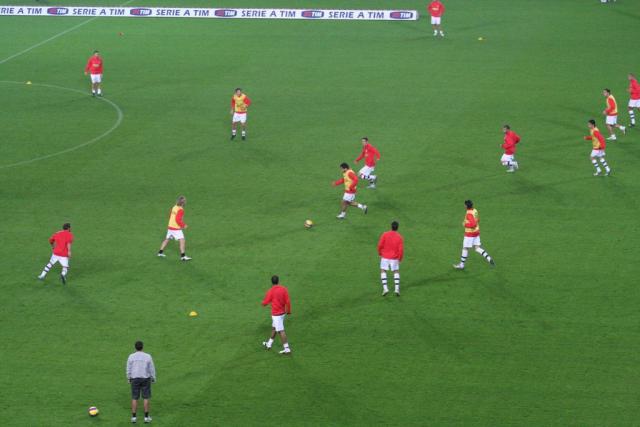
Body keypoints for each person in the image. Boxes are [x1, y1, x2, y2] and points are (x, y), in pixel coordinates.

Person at [453, 200, 495, 270]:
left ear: (466, 206)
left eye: (464, 205)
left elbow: (473, 225)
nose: (464, 206)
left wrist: (465, 224)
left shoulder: (469, 213)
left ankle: (461, 265)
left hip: (470, 234)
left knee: (465, 248)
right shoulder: (475, 210)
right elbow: (478, 220)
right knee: (477, 248)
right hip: (476, 232)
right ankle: (488, 258)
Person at [126, 341, 156, 424]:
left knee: (134, 398)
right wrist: (153, 378)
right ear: (142, 347)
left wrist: (128, 378)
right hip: (145, 379)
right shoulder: (148, 356)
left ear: (135, 347)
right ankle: (146, 418)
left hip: (134, 379)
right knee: (146, 398)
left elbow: (128, 368)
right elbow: (151, 368)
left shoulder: (131, 356)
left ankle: (134, 418)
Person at [261, 275, 292, 355]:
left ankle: (287, 349)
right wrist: (288, 311)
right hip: (282, 313)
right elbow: (288, 301)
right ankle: (269, 344)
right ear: (278, 281)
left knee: (281, 331)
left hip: (276, 315)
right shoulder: (284, 289)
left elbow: (265, 302)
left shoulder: (271, 291)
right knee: (274, 328)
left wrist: (263, 303)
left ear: (272, 282)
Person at [157, 196, 192, 261]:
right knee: (182, 240)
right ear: (183, 203)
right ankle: (183, 256)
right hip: (176, 229)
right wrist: (183, 225)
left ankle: (160, 252)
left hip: (170, 226)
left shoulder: (174, 207)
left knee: (167, 239)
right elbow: (178, 220)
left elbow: (170, 215)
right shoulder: (181, 210)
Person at [377, 221, 404, 296]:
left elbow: (380, 245)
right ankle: (396, 289)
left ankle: (385, 288)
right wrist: (400, 258)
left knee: (383, 270)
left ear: (391, 226)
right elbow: (401, 249)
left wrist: (380, 252)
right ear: (397, 227)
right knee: (396, 271)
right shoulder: (399, 237)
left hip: (385, 256)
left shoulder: (385, 234)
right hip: (394, 257)